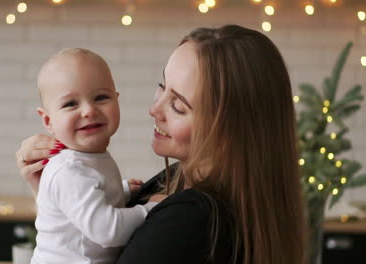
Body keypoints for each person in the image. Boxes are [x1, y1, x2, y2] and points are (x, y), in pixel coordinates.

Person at [16, 25, 306, 264]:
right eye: (162, 86)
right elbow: (82, 241)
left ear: (229, 130)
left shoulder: (190, 220)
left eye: (178, 105)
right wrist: (51, 191)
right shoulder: (176, 180)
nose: (154, 110)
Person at [30, 48, 159, 264]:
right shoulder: (68, 171)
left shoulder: (89, 159)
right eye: (71, 103)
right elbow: (107, 230)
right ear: (48, 121)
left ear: (117, 100)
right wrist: (150, 210)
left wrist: (122, 192)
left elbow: (90, 199)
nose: (89, 110)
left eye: (101, 97)